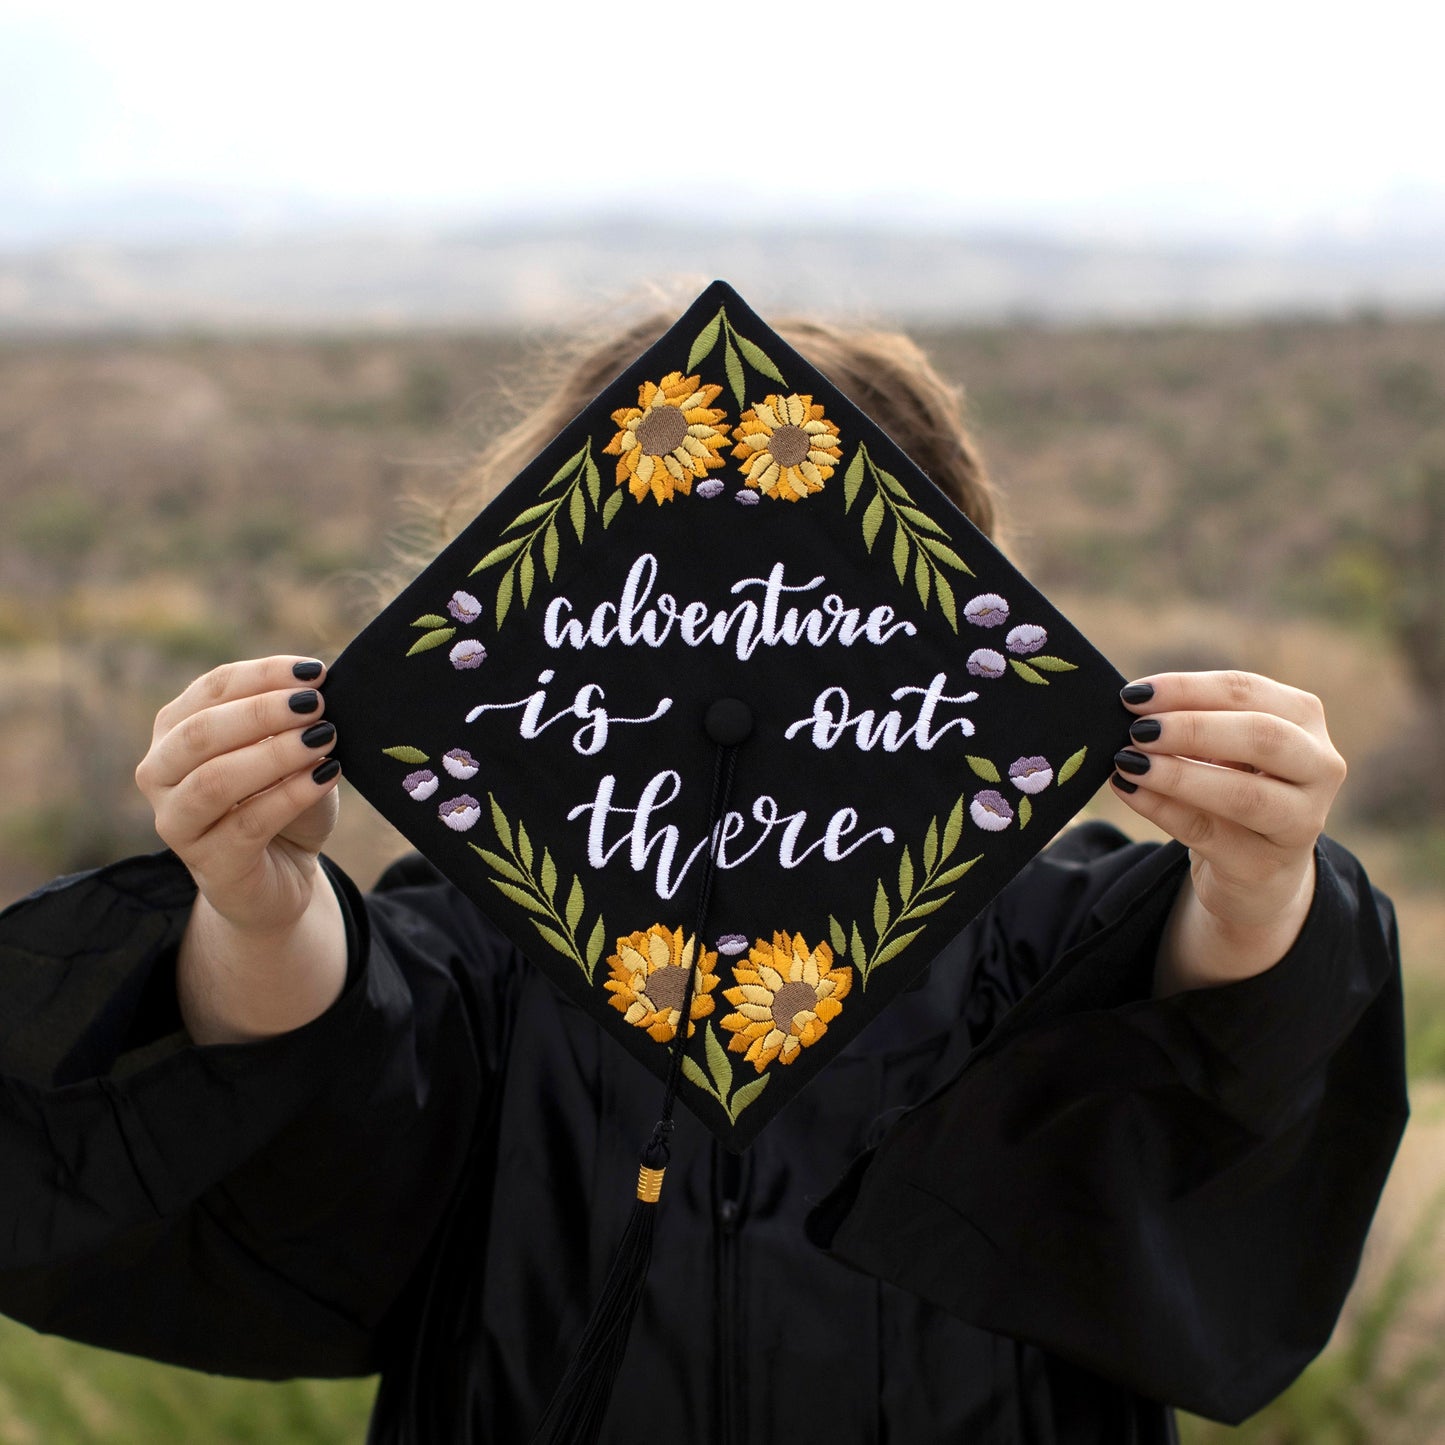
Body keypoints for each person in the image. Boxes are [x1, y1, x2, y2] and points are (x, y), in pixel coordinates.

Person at [0, 312, 1407, 1445]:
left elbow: (1218, 1007)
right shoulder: (502, 943)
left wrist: (1257, 880)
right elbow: (346, 1029)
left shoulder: (1034, 940)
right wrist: (256, 900)